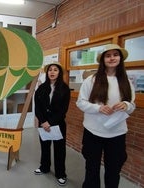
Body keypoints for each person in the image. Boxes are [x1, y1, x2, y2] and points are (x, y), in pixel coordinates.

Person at [76, 44, 136, 188]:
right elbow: (80, 102)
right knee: (92, 169)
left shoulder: (126, 82)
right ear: (103, 60)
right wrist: (98, 108)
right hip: (93, 132)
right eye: (108, 56)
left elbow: (132, 106)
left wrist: (126, 105)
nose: (112, 58)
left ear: (120, 58)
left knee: (114, 171)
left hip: (117, 133)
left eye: (115, 55)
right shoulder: (91, 80)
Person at [34, 63, 70, 186]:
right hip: (43, 124)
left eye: (55, 70)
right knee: (44, 147)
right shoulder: (41, 88)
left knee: (59, 150)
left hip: (58, 124)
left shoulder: (64, 89)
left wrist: (50, 122)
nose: (52, 72)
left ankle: (61, 174)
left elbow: (63, 110)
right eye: (50, 70)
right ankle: (44, 167)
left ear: (59, 73)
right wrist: (43, 121)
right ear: (47, 72)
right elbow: (37, 107)